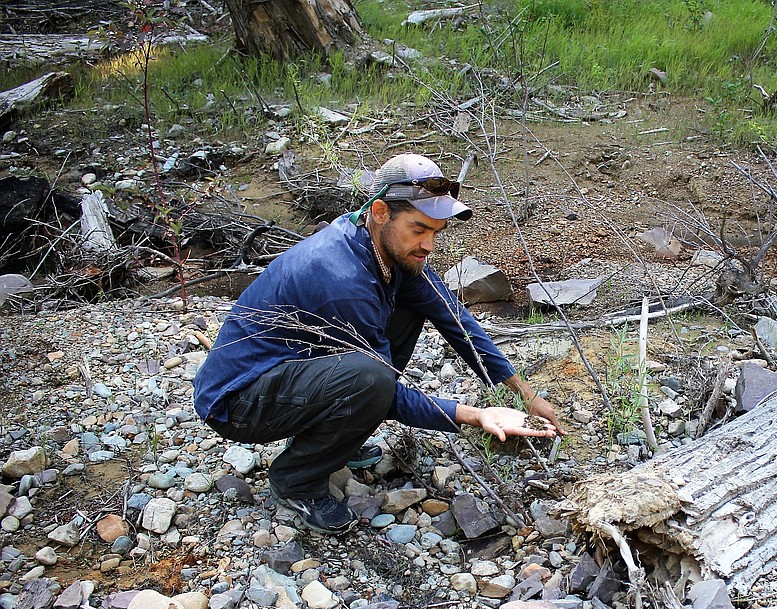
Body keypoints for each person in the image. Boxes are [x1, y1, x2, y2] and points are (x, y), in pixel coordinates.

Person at [193, 153, 563, 535]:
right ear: (381, 211)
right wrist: (475, 414)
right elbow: (383, 389)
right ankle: (296, 480)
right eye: (419, 229)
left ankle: (337, 438)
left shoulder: (384, 246)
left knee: (408, 313)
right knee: (370, 378)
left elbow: (454, 318)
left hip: (287, 372)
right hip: (236, 401)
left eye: (436, 232)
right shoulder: (341, 277)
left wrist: (524, 392)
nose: (429, 245)